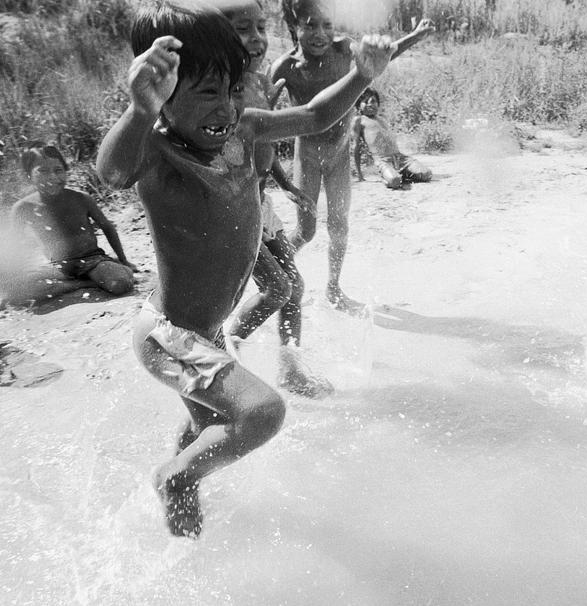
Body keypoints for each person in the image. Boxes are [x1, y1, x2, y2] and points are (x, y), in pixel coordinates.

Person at [96, 0, 393, 537]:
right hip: (169, 336)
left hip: (202, 334)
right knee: (260, 414)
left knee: (204, 428)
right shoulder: (158, 153)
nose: (227, 107)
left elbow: (316, 116)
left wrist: (360, 75)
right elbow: (111, 172)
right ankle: (174, 480)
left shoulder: (245, 130)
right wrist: (138, 113)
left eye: (233, 88)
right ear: (163, 98)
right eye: (208, 92)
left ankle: (177, 548)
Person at [271, 1, 433, 312]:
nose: (321, 34)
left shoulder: (345, 49)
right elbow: (259, 110)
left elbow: (379, 58)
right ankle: (274, 265)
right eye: (311, 25)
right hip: (307, 156)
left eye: (327, 25)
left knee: (339, 225)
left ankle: (333, 289)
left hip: (339, 156)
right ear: (295, 26)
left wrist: (414, 35)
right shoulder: (286, 67)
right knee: (307, 230)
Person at [218, 0, 333, 398]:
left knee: (294, 287)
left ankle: (290, 369)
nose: (257, 39)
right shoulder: (219, 88)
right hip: (233, 207)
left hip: (260, 202)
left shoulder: (258, 79)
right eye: (243, 29)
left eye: (261, 28)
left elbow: (261, 142)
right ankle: (223, 358)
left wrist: (284, 183)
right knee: (279, 288)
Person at [7, 142, 135, 306]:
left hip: (92, 260)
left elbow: (107, 226)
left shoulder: (80, 198)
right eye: (43, 171)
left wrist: (124, 260)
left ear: (66, 171)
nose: (53, 177)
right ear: (29, 175)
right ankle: (83, 284)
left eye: (58, 170)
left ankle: (110, 271)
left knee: (120, 284)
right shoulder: (23, 208)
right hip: (58, 268)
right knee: (15, 292)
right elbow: (14, 246)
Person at [352, 87, 432, 189]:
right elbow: (356, 147)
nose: (370, 104)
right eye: (365, 101)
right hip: (383, 161)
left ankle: (402, 173)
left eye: (373, 101)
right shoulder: (358, 120)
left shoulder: (382, 120)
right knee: (394, 181)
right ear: (358, 105)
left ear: (378, 104)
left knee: (427, 174)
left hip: (401, 158)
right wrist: (359, 174)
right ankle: (388, 176)